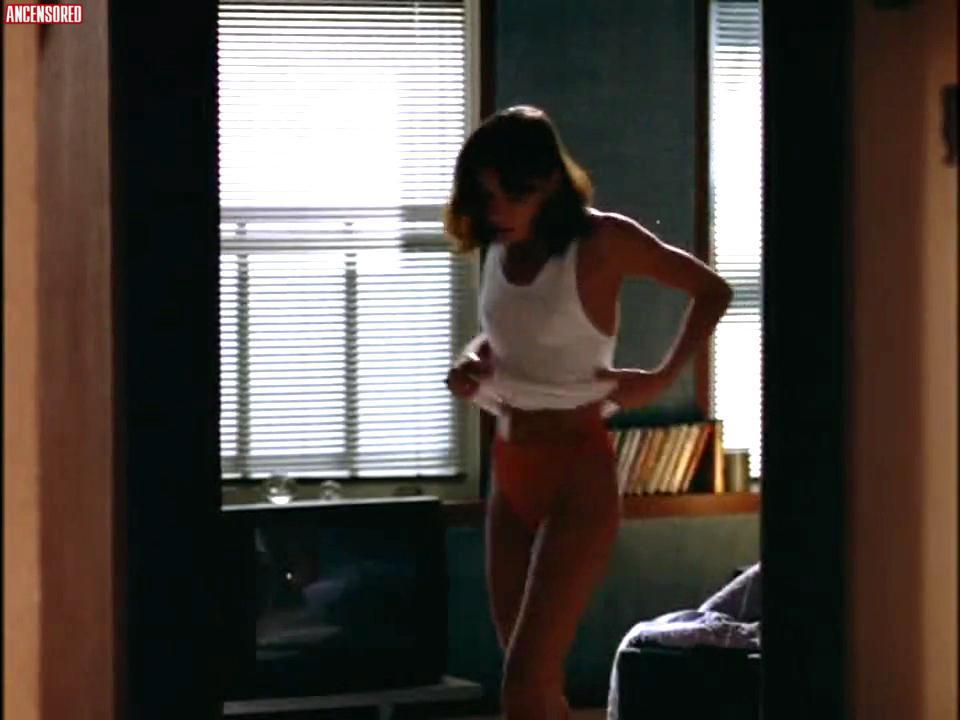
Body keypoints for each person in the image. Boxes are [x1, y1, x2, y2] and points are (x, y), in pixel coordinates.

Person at [443, 105, 732, 720]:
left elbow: (713, 289)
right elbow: (509, 336)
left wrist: (659, 379)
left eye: (509, 194)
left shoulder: (602, 243)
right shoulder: (497, 246)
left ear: (548, 181)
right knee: (534, 682)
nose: (494, 210)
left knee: (522, 685)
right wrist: (472, 361)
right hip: (509, 469)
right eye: (484, 195)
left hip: (577, 473)